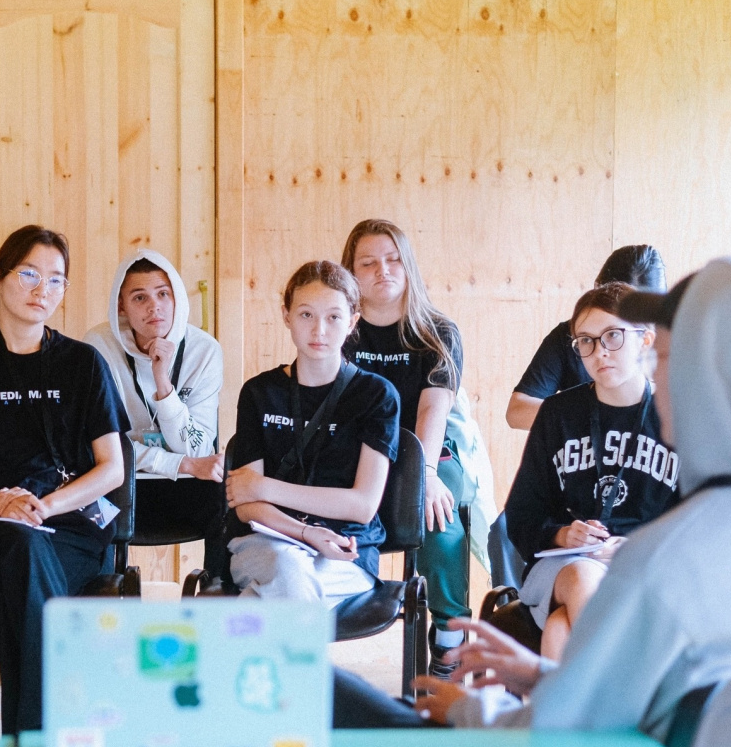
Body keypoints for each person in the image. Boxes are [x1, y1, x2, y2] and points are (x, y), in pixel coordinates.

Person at [413, 258, 731, 736]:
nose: (656, 375)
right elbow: (651, 694)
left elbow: (578, 725)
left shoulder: (663, 559)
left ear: (720, 378)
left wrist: (465, 711)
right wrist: (546, 677)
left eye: (670, 358)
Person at [0, 225, 127, 735]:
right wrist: (2, 505)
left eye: (56, 280)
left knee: (27, 575)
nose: (43, 290)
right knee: (23, 551)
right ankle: (55, 733)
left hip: (72, 525)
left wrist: (47, 506)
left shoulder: (83, 364)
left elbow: (112, 468)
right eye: (30, 274)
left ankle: (25, 742)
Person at [341, 219, 493, 677]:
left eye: (393, 260)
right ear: (351, 272)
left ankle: (448, 639)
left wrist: (424, 476)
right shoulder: (340, 329)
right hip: (359, 448)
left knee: (437, 515)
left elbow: (433, 411)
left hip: (427, 449)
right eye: (368, 263)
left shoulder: (437, 331)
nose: (382, 270)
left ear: (408, 266)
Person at [505, 282, 681, 660]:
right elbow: (521, 515)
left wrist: (637, 548)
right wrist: (563, 534)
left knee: (559, 631)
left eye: (613, 336)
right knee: (583, 575)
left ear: (645, 340)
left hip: (649, 566)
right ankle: (622, 684)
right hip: (567, 566)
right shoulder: (557, 414)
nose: (599, 351)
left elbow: (696, 520)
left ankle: (578, 696)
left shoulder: (677, 413)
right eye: (586, 341)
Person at [225, 260, 398, 603]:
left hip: (346, 549)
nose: (319, 330)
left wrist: (264, 487)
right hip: (268, 541)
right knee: (288, 568)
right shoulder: (259, 392)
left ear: (352, 322)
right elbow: (246, 506)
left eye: (334, 317)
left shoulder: (376, 395)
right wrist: (304, 532)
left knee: (276, 593)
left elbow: (362, 506)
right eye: (306, 314)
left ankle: (244, 635)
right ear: (286, 316)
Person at [84, 250, 226, 573]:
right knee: (86, 502)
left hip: (186, 488)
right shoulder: (97, 348)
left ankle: (216, 592)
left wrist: (164, 386)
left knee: (230, 496)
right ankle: (105, 592)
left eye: (163, 294)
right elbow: (101, 450)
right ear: (121, 306)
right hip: (118, 485)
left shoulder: (204, 351)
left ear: (177, 297)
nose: (154, 307)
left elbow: (200, 449)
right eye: (140, 297)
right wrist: (181, 463)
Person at [506, 244, 667, 431]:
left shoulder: (679, 340)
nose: (600, 350)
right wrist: (596, 415)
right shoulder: (571, 336)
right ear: (597, 291)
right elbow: (517, 411)